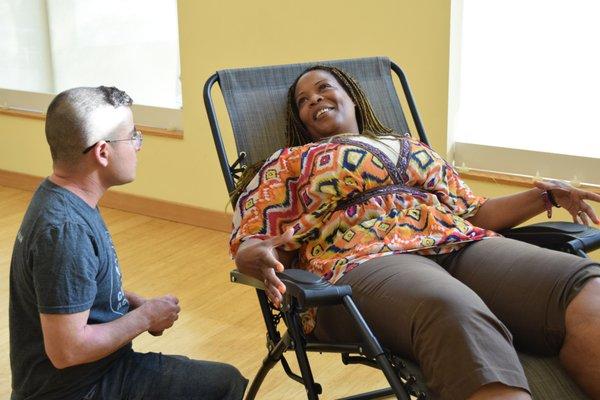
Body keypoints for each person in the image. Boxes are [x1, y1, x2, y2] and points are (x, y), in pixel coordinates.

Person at [229, 65, 600, 400]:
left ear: (352, 97)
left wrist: (547, 195)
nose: (315, 100)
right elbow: (257, 235)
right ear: (302, 121)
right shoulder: (291, 161)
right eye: (303, 101)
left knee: (583, 286)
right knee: (451, 310)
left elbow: (474, 211)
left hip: (456, 240)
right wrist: (251, 254)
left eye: (324, 88)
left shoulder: (410, 145)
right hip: (361, 260)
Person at [9, 86, 248, 400]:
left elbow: (74, 292)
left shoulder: (62, 197)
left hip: (93, 374)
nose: (138, 145)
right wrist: (146, 317)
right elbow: (67, 351)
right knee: (224, 384)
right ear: (103, 152)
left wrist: (128, 305)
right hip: (80, 389)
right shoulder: (66, 229)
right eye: (133, 136)